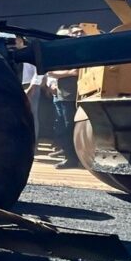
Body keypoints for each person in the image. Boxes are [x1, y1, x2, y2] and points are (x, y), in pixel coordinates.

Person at [47, 25, 85, 169]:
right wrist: (70, 73)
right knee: (67, 127)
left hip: (83, 95)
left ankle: (79, 157)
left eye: (81, 32)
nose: (79, 34)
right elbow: (51, 72)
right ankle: (71, 158)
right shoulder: (64, 53)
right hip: (67, 95)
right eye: (75, 32)